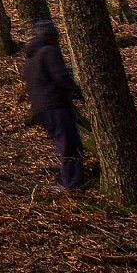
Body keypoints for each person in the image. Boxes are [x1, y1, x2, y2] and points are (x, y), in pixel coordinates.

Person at [22, 18, 92, 192]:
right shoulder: (48, 52)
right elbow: (60, 77)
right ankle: (71, 183)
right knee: (70, 143)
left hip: (42, 109)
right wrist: (80, 94)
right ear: (51, 36)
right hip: (55, 106)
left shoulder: (32, 58)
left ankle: (69, 179)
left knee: (66, 143)